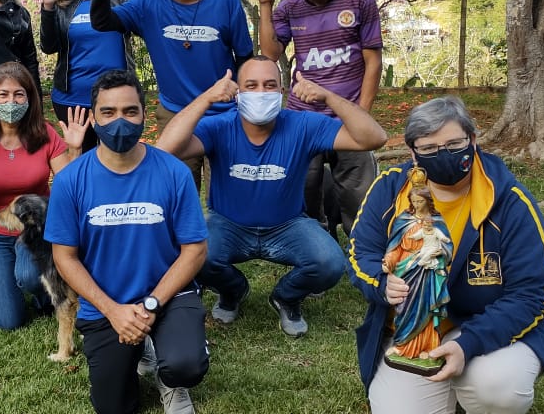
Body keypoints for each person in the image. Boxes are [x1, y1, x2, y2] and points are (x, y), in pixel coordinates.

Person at [349, 96, 544, 414]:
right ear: (412, 153)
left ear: (473, 140)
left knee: (497, 387)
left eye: (454, 145)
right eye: (428, 148)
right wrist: (381, 283)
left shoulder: (509, 201)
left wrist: (469, 343)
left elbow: (532, 294)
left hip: (487, 330)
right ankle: (446, 389)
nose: (441, 155)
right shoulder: (390, 189)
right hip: (415, 330)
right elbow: (361, 251)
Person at [157, 56, 387, 337]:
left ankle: (286, 297)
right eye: (251, 85)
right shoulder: (219, 126)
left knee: (330, 263)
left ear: (281, 92)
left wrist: (328, 97)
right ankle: (232, 291)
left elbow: (374, 138)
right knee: (193, 255)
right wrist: (206, 98)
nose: (261, 92)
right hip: (228, 225)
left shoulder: (303, 125)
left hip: (287, 226)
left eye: (269, 85)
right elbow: (165, 148)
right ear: (238, 92)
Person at [45, 70, 209, 414]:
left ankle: (170, 375)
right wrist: (114, 310)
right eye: (108, 112)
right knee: (113, 409)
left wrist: (150, 305)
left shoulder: (173, 172)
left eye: (130, 111)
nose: (120, 121)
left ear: (144, 115)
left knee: (186, 365)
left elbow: (195, 250)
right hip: (106, 305)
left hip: (167, 296)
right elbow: (64, 257)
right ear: (92, 118)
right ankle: (143, 348)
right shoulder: (71, 180)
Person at [91, 0, 254, 188]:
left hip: (224, 113)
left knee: (227, 191)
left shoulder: (226, 1)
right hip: (175, 113)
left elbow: (245, 58)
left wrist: (245, 100)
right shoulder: (148, 4)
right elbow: (101, 22)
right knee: (177, 189)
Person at [255, 0, 383, 236]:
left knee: (358, 196)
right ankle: (317, 252)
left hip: (348, 116)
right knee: (304, 192)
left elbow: (373, 62)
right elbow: (271, 54)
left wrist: (361, 114)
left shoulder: (360, 2)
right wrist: (265, 6)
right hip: (303, 119)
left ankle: (362, 256)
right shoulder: (289, 9)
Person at [0, 61, 87, 330]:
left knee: (30, 278)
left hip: (35, 228)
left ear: (29, 98)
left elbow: (71, 188)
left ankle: (39, 292)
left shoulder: (43, 133)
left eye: (18, 94)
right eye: (3, 94)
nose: (11, 101)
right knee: (8, 321)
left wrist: (75, 150)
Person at [38, 0, 132, 151]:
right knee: (82, 160)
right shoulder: (63, 8)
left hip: (116, 96)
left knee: (119, 157)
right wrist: (49, 8)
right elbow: (49, 46)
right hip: (73, 100)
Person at [382, 180, 452, 363]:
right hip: (406, 269)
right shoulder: (404, 220)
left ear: (428, 201)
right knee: (405, 308)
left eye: (420, 201)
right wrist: (389, 261)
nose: (416, 205)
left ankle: (429, 346)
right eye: (413, 201)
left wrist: (441, 253)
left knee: (427, 308)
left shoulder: (437, 222)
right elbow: (395, 247)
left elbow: (447, 245)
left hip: (428, 271)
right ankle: (402, 345)